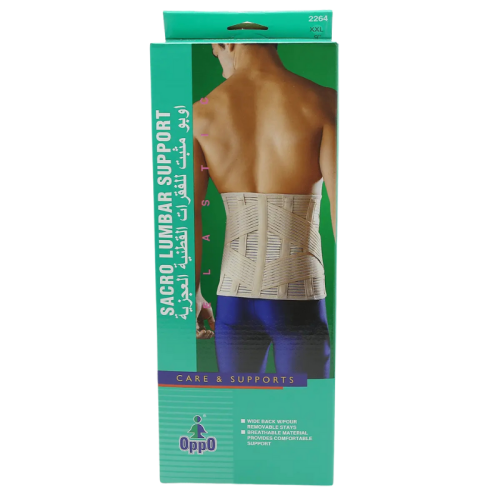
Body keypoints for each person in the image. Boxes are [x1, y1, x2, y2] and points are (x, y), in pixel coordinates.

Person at [193, 43, 337, 379]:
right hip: (300, 297)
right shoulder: (323, 102)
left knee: (240, 409)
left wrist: (193, 293)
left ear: (225, 44)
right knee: (305, 410)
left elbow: (187, 218)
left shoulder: (199, 115)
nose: (217, 59)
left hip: (233, 300)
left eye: (215, 52)